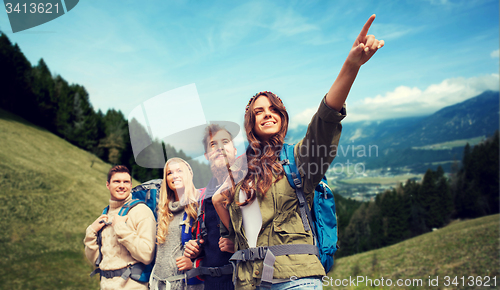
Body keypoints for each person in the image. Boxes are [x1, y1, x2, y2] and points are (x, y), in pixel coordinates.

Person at [212, 15, 384, 289]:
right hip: (248, 282)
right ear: (251, 123)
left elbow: (324, 122)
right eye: (259, 112)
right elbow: (221, 205)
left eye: (273, 109)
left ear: (282, 116)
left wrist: (351, 66)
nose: (267, 115)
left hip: (295, 280)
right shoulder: (241, 171)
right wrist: (231, 231)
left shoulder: (299, 159)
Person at [183, 124, 240, 290]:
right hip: (211, 284)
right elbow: (207, 240)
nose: (219, 147)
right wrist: (196, 249)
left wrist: (239, 245)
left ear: (235, 150)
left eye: (225, 141)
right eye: (213, 144)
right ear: (207, 155)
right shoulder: (203, 198)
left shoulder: (249, 186)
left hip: (244, 281)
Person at [84, 165, 156, 290]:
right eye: (117, 181)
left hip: (133, 286)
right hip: (106, 285)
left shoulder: (141, 211)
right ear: (108, 185)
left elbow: (146, 255)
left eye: (126, 182)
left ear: (131, 185)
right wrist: (91, 232)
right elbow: (96, 260)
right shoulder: (105, 215)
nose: (122, 185)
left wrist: (120, 228)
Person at [149, 157, 204, 290]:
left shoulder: (200, 205)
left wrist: (195, 263)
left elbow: (213, 247)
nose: (175, 176)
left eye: (179, 171)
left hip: (185, 284)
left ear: (189, 174)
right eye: (169, 173)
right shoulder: (163, 210)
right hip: (158, 283)